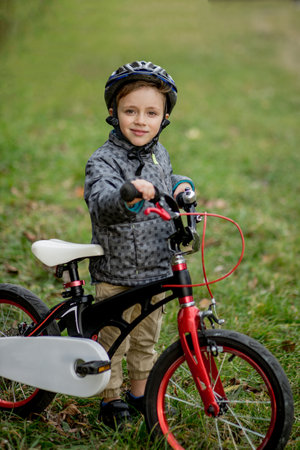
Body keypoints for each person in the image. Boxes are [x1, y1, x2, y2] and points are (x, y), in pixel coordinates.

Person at [84, 61, 194, 429]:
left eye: (151, 112)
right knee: (114, 343)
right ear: (113, 113)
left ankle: (139, 393)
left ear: (164, 118)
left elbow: (165, 177)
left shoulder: (157, 153)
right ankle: (111, 399)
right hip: (117, 273)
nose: (140, 121)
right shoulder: (103, 160)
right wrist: (127, 194)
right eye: (131, 111)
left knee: (145, 341)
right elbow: (102, 202)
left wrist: (179, 185)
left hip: (156, 271)